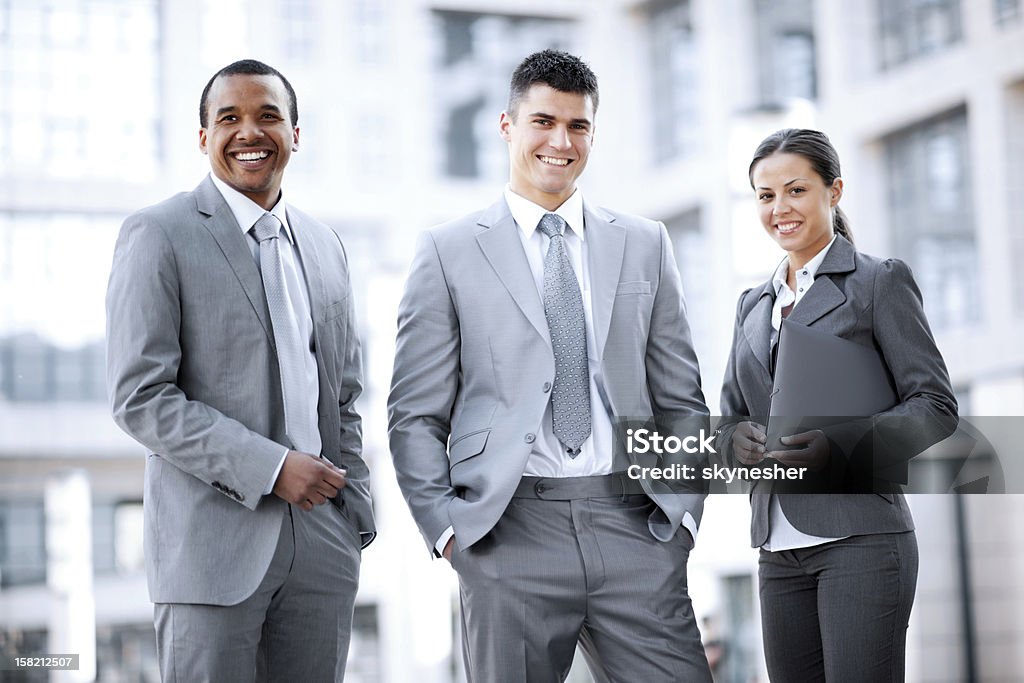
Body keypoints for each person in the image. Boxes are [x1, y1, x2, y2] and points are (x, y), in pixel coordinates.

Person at [388, 49, 713, 681]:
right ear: (508, 126)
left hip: (636, 524)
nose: (561, 142)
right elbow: (414, 413)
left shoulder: (645, 242)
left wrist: (684, 512)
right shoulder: (447, 250)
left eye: (578, 126)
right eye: (543, 122)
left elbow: (681, 395)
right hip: (507, 531)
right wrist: (449, 531)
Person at [106, 59, 373, 682]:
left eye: (268, 116)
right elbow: (140, 397)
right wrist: (273, 469)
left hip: (324, 550)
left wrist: (354, 512)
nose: (249, 131)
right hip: (210, 552)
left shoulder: (326, 245)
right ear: (204, 138)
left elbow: (344, 394)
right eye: (229, 118)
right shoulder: (157, 234)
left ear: (295, 134)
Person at [718, 128, 958, 682]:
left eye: (796, 190)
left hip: (862, 541)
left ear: (834, 190)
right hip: (777, 548)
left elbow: (934, 405)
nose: (780, 208)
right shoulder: (752, 305)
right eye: (765, 195)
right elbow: (732, 412)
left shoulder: (878, 282)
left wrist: (839, 445)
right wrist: (735, 440)